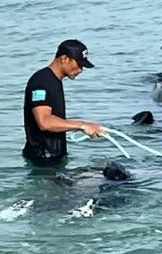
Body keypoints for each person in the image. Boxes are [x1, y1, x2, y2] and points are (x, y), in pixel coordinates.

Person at [22, 39, 105, 167]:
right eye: (79, 64)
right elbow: (44, 121)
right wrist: (82, 126)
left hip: (55, 158)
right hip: (42, 161)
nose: (81, 70)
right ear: (64, 59)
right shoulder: (41, 82)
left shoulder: (54, 81)